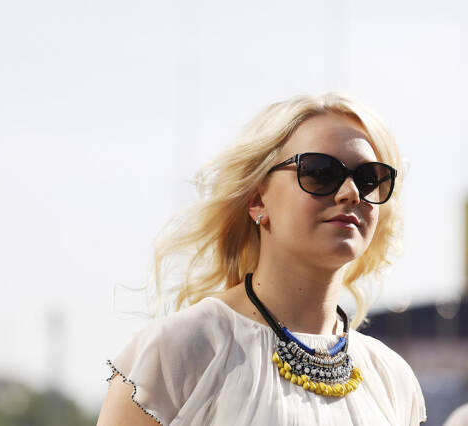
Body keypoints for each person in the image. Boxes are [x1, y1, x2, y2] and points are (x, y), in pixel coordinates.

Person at [97, 93, 427, 425]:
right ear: (257, 201)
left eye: (370, 179)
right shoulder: (179, 351)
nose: (351, 192)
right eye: (321, 172)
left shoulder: (392, 379)